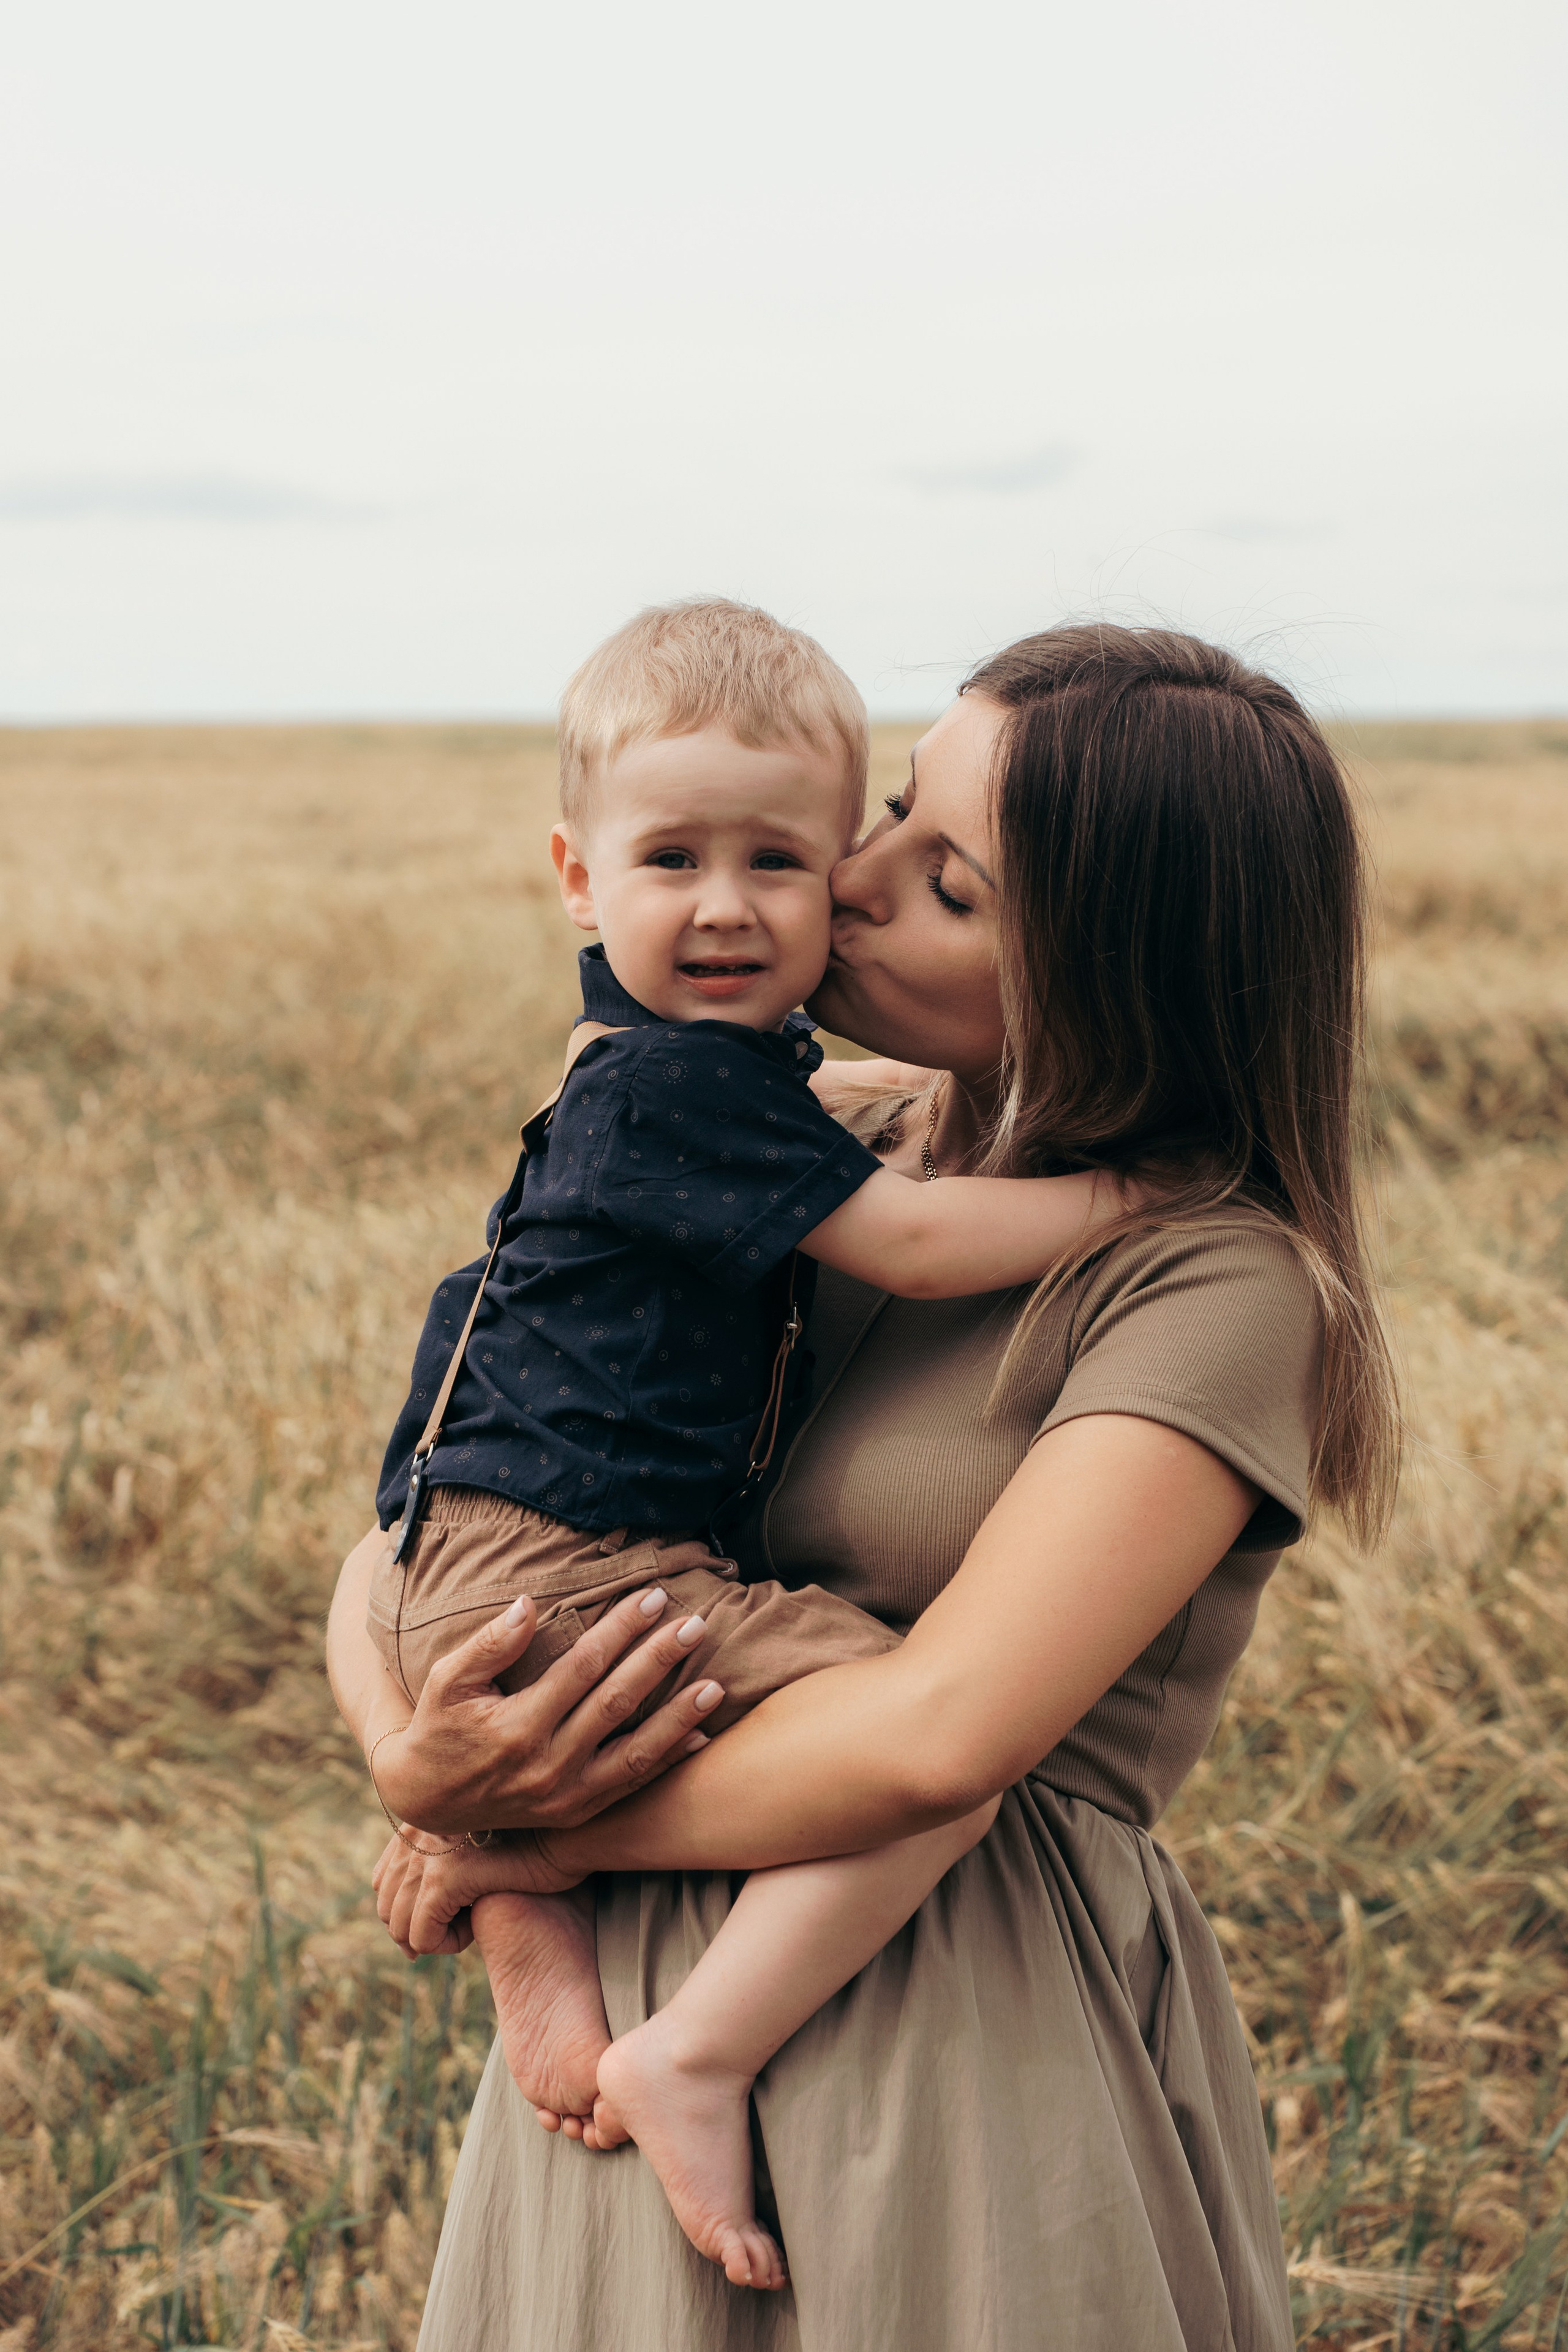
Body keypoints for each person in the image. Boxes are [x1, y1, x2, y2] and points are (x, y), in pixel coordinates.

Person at [328, 622, 1400, 2352]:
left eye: (949, 881)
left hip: (961, 2031)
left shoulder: (1215, 1284)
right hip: (620, 2032)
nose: (851, 875)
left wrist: (511, 1826)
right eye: (893, 809)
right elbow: (444, 1504)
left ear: (1117, 970)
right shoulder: (814, 1136)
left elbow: (937, 1743)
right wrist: (406, 1747)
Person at [363, 600, 1126, 2288]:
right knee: (889, 1689)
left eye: (783, 860)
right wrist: (1136, 1198)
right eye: (674, 860)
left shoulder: (698, 1077)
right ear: (577, 874)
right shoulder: (686, 1090)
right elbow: (915, 1246)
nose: (730, 905)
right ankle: (694, 2045)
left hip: (473, 1553)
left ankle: (532, 1937)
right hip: (570, 1569)